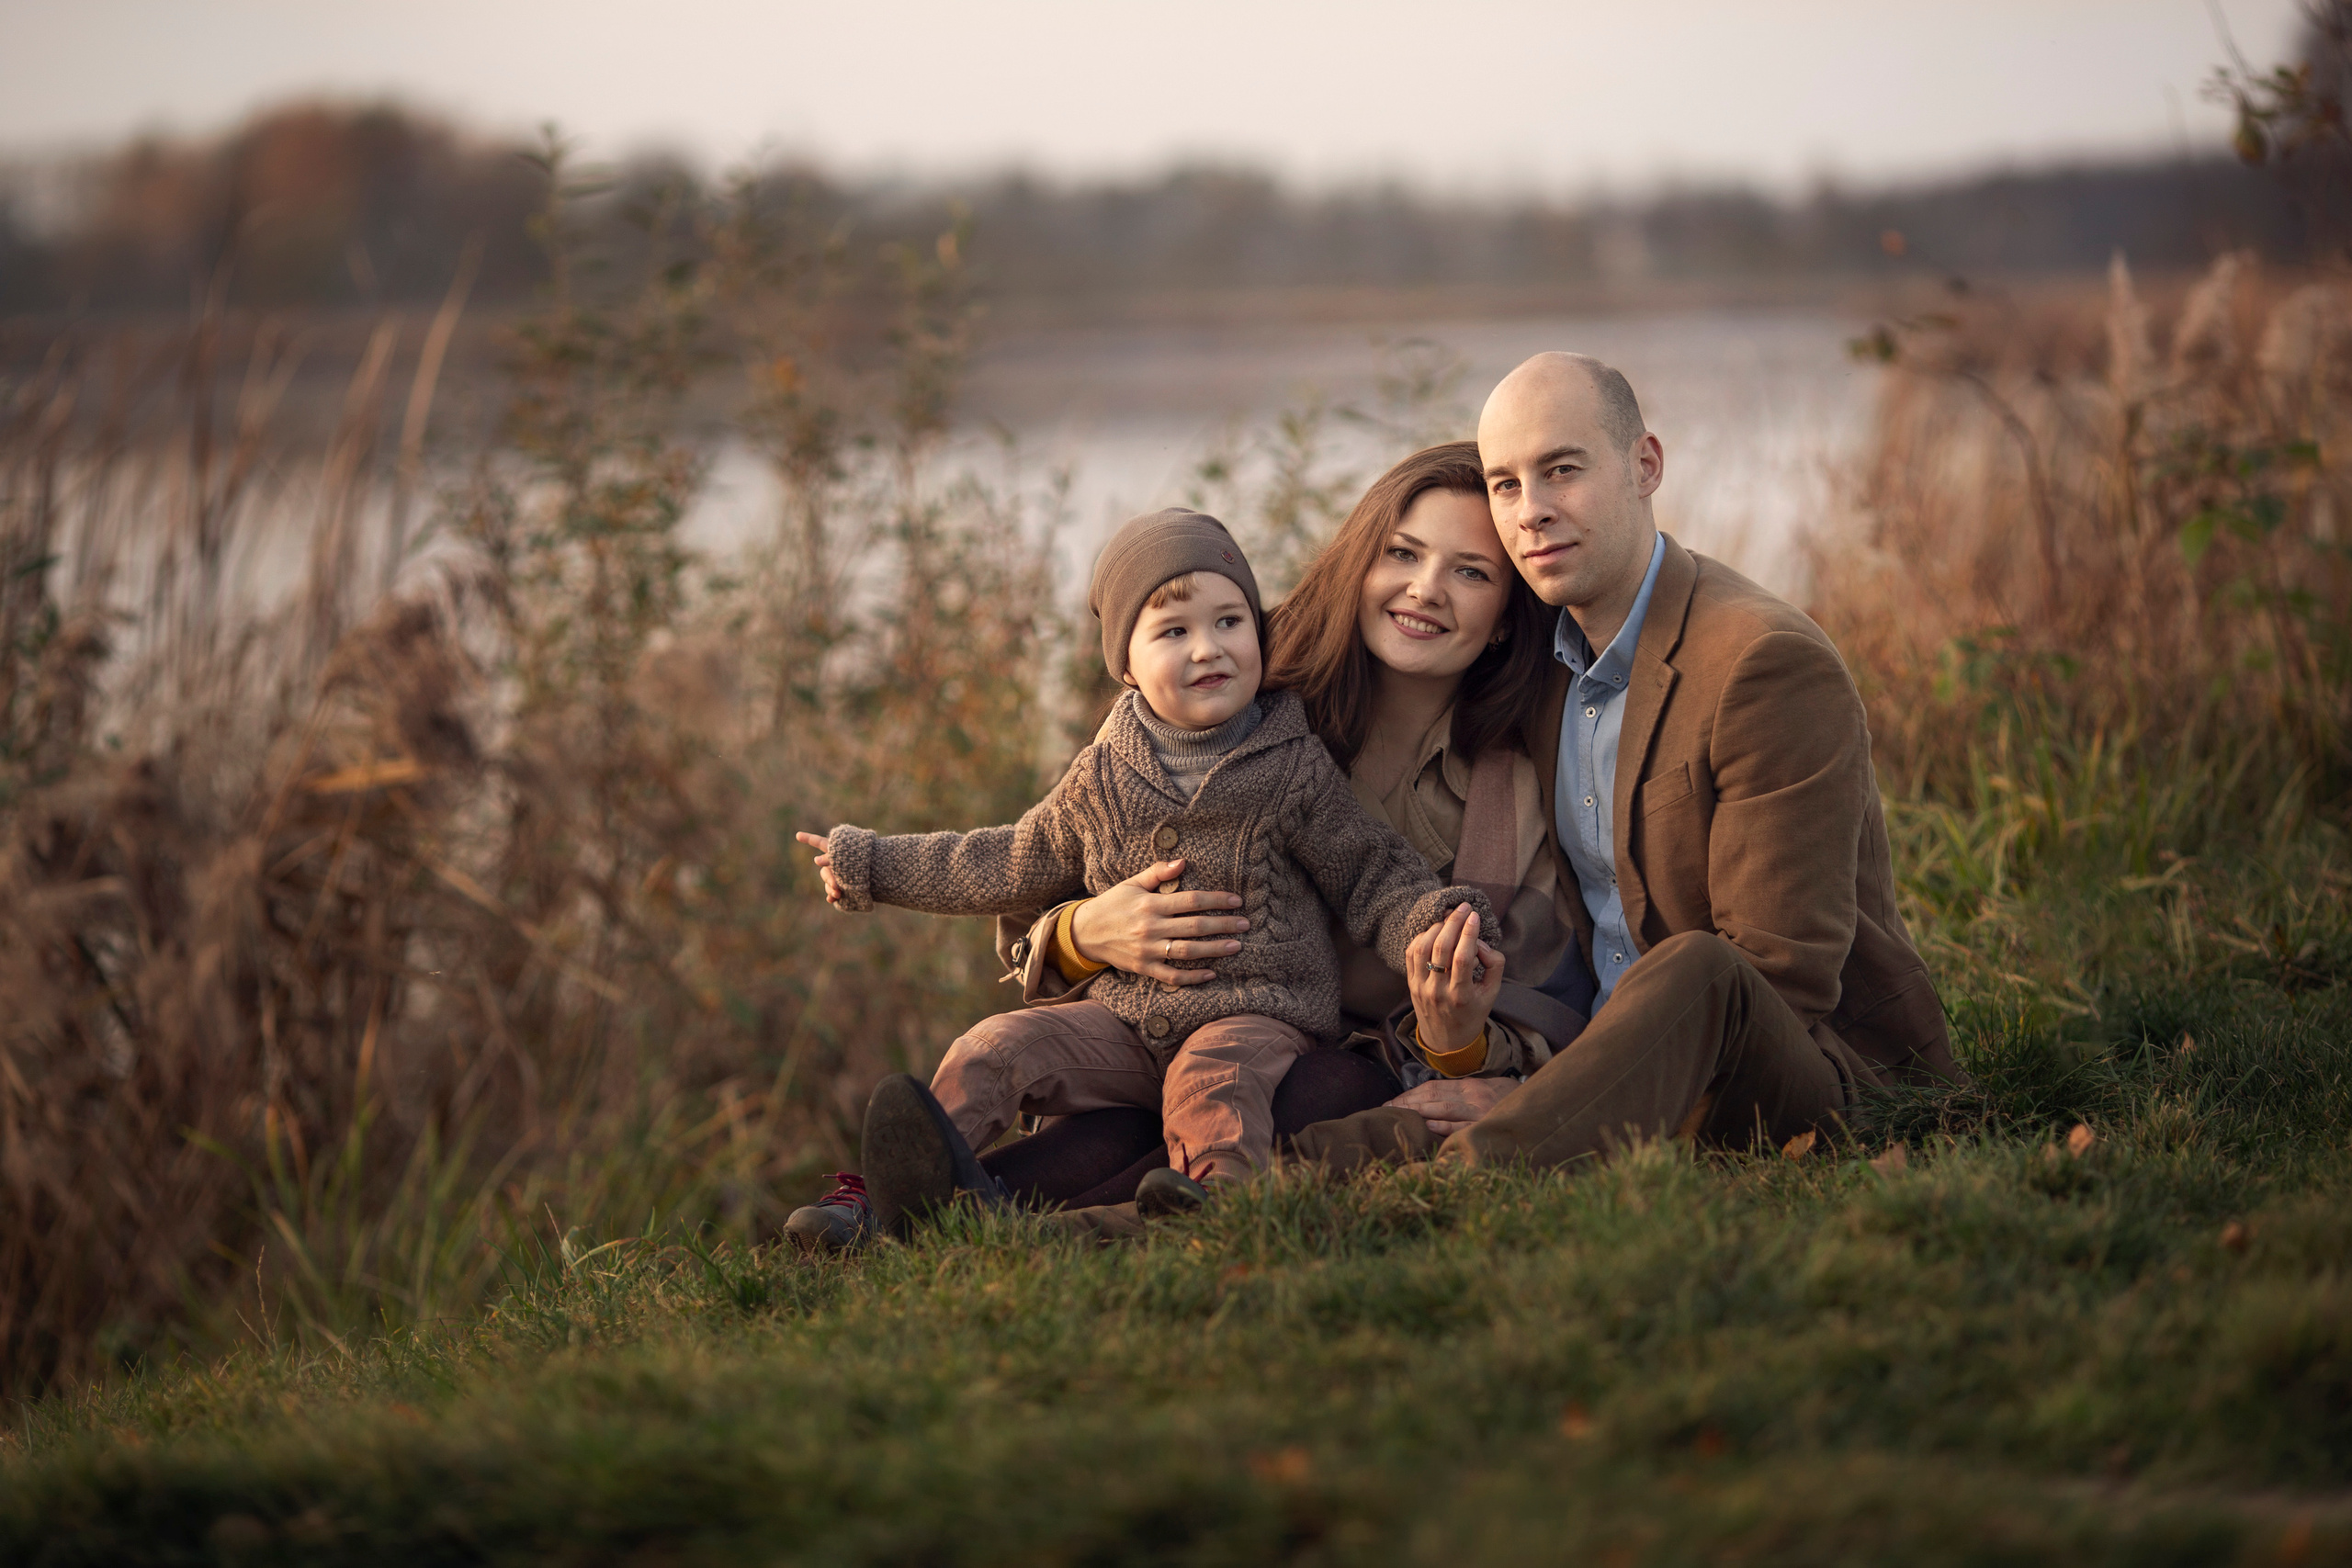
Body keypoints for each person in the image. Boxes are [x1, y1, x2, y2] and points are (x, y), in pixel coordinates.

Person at [1288, 352, 1963, 1177]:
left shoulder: (1763, 663)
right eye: (1506, 484)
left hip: (1803, 1073)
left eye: (1562, 470)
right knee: (1390, 1117)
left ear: (1645, 466)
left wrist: (1563, 1094)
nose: (1532, 511)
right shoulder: (1543, 664)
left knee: (1701, 966)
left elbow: (1779, 983)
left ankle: (1470, 1177)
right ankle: (1232, 1190)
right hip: (1593, 1057)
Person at [785, 507, 1492, 1252]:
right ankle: (894, 1198)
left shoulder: (1293, 767)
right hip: (1122, 1023)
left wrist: (1436, 924)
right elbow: (1006, 859)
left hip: (1253, 1013)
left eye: (1229, 621)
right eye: (1173, 631)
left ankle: (1220, 1206)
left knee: (1214, 1081)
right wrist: (873, 864)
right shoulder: (1102, 774)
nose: (1208, 648)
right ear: (1125, 664)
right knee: (995, 1045)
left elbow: (1371, 872)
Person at [967, 442, 1578, 1214]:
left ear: (1504, 619)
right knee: (1126, 1109)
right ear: (1360, 561)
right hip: (1162, 1033)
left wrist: (1458, 1037)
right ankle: (914, 1205)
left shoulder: (1514, 786)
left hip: (1355, 1073)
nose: (1425, 589)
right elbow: (1037, 875)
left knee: (1309, 1089)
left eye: (1472, 572)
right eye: (1402, 553)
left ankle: (1082, 1227)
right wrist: (1086, 932)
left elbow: (1538, 996)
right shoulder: (1230, 680)